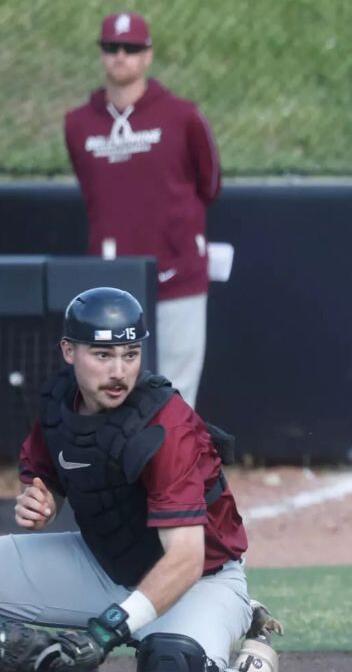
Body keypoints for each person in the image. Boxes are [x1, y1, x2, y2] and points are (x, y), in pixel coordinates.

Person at [0, 287, 283, 672]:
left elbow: (186, 558)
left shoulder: (165, 425)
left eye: (130, 354)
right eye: (103, 354)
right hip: (101, 565)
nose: (118, 371)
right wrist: (45, 501)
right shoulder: (59, 405)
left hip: (196, 584)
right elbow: (51, 472)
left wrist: (106, 629)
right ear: (68, 351)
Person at [64, 12, 222, 407]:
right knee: (110, 393)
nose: (121, 57)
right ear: (102, 54)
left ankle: (171, 470)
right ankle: (118, 470)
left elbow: (211, 184)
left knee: (175, 393)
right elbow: (92, 192)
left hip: (177, 270)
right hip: (111, 278)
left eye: (132, 48)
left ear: (148, 55)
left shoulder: (183, 117)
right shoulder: (78, 124)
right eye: (112, 48)